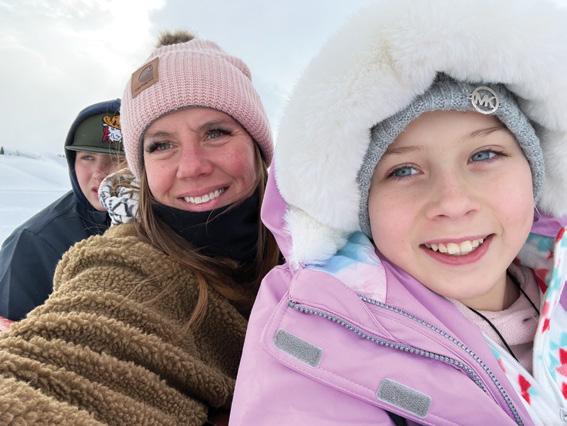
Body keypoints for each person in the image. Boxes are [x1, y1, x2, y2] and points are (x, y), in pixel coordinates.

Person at [230, 0, 567, 424]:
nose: (452, 202)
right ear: (361, 203)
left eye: (484, 155)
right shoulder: (316, 327)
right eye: (404, 170)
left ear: (535, 171)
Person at [0, 32, 278, 425]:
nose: (192, 166)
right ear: (142, 169)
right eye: (161, 145)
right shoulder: (127, 270)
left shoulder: (329, 247)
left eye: (215, 132)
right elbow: (53, 369)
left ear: (258, 146)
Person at [0, 99, 124, 321]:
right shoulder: (32, 243)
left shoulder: (169, 224)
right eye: (87, 157)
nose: (99, 172)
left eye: (117, 158)